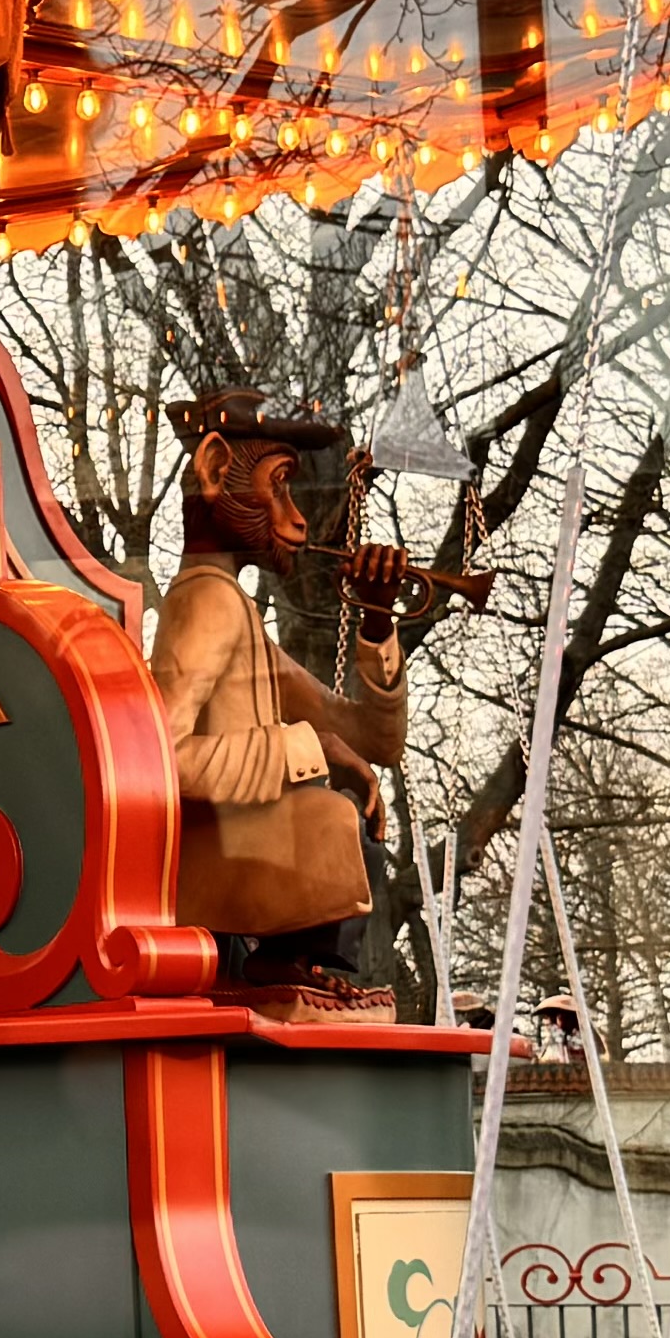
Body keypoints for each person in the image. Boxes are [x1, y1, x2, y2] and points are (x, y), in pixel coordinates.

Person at [150, 388, 412, 1015]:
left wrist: (377, 622)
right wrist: (308, 748)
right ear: (216, 471)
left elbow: (376, 741)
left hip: (239, 854)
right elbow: (161, 756)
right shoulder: (207, 601)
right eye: (280, 488)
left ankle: (289, 963)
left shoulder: (234, 609)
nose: (296, 518)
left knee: (342, 817)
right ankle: (281, 962)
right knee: (334, 820)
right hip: (212, 861)